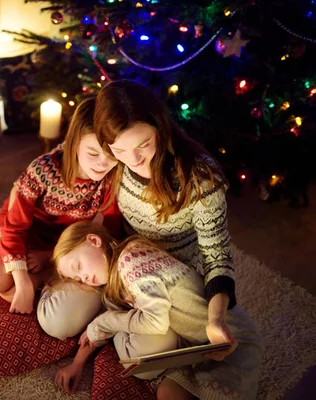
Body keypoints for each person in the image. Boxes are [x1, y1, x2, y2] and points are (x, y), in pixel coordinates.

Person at [38, 80, 240, 358]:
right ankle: (118, 319)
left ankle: (121, 326)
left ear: (159, 127)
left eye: (143, 145)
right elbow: (70, 153)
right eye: (119, 151)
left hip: (166, 283)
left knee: (149, 351)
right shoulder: (114, 161)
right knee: (56, 320)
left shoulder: (201, 181)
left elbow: (218, 258)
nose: (132, 159)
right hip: (114, 268)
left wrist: (215, 318)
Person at [0, 97, 122, 314]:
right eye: (93, 153)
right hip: (21, 228)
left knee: (21, 290)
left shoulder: (109, 178)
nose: (102, 164)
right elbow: (15, 228)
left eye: (111, 156)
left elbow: (109, 231)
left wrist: (48, 256)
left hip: (60, 243)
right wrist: (23, 281)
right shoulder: (43, 171)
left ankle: (33, 268)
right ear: (75, 142)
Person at [52, 221, 263, 399]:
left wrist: (105, 322)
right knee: (167, 392)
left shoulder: (131, 261)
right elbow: (102, 326)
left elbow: (152, 322)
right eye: (78, 279)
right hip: (195, 349)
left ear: (94, 241)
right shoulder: (114, 283)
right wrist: (78, 363)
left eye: (78, 267)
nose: (84, 278)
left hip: (232, 341)